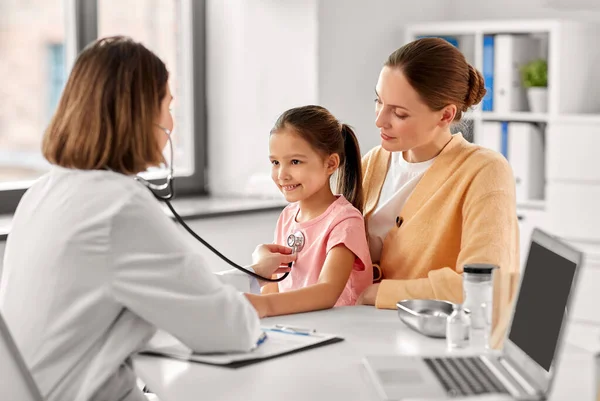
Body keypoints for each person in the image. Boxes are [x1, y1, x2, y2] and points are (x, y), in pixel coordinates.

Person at [0, 36, 295, 401]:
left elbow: (165, 289)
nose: (171, 121)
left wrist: (249, 273)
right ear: (141, 115)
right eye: (167, 106)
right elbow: (228, 330)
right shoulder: (118, 206)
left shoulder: (43, 193)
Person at [356, 37, 519, 347]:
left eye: (399, 114)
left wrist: (376, 292)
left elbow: (484, 288)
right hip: (364, 330)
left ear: (445, 115)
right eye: (378, 101)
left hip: (435, 343)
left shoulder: (484, 172)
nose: (379, 120)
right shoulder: (373, 163)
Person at [246, 105, 373, 317]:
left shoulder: (345, 221)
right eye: (275, 162)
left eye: (295, 162)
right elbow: (274, 284)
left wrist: (266, 305)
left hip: (338, 329)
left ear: (331, 163)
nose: (282, 174)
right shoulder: (287, 216)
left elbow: (327, 291)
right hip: (298, 327)